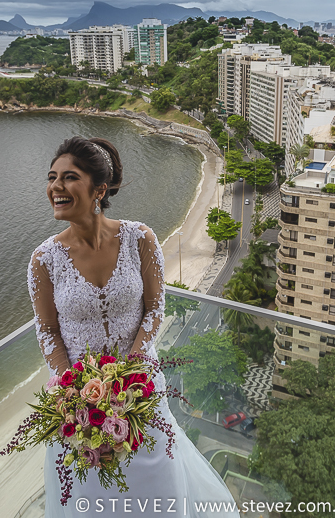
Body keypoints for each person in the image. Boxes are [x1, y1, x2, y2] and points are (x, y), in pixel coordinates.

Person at [27, 136, 239, 517]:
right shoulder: (43, 259)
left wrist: (131, 372)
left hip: (142, 386)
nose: (55, 187)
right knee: (88, 491)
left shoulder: (140, 238)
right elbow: (47, 331)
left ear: (99, 190)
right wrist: (76, 389)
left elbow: (154, 308)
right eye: (51, 177)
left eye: (69, 177)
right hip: (79, 401)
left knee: (158, 477)